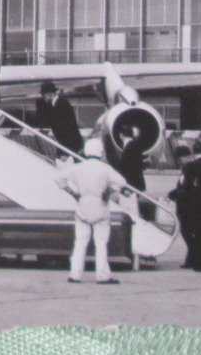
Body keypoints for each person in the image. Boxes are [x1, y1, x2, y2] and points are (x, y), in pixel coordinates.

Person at [56, 138, 131, 284]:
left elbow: (59, 179)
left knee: (80, 242)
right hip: (100, 204)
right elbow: (122, 182)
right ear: (100, 152)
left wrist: (73, 193)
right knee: (101, 243)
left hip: (82, 203)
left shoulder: (78, 167)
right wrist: (109, 191)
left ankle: (75, 274)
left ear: (86, 151)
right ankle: (102, 275)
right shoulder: (104, 168)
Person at [169, 144, 201, 272]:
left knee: (196, 236)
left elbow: (187, 188)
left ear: (193, 152)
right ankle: (195, 260)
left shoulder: (191, 167)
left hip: (193, 207)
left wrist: (173, 195)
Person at [32, 80, 84, 158]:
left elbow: (67, 127)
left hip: (71, 145)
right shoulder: (53, 105)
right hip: (66, 144)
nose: (43, 97)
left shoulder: (62, 104)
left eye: (43, 94)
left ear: (49, 93)